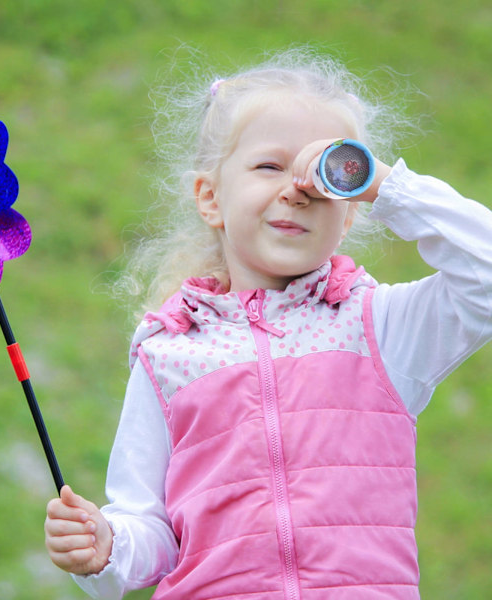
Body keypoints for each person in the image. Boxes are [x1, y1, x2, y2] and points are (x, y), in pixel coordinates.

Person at [44, 49, 492, 599]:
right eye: (269, 166)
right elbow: (151, 528)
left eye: (326, 173)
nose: (297, 188)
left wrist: (383, 186)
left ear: (350, 211)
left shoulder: (378, 327)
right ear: (210, 196)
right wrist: (106, 546)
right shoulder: (170, 353)